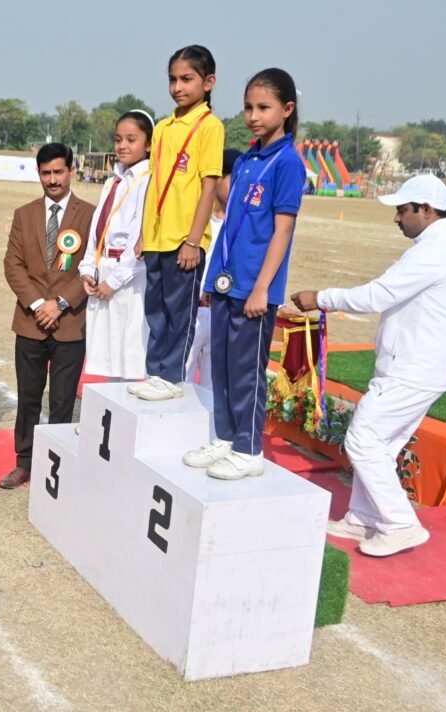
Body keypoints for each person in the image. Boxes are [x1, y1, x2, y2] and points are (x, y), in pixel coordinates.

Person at [290, 175, 446, 557]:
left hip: (413, 369)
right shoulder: (435, 245)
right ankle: (363, 517)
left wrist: (321, 298)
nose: (397, 218)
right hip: (414, 366)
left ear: (425, 209)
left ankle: (400, 524)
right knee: (381, 446)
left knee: (363, 439)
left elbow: (379, 295)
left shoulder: (435, 251)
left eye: (403, 210)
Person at [183, 67, 306, 480]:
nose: (254, 115)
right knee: (222, 368)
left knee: (246, 371)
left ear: (287, 110)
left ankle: (249, 449)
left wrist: (262, 288)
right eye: (249, 107)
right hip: (226, 285)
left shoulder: (287, 163)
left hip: (255, 290)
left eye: (264, 107)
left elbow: (282, 231)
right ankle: (225, 437)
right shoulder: (249, 158)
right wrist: (211, 279)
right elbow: (229, 226)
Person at [130, 45, 225, 402]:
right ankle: (154, 371)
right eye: (172, 79)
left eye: (187, 79)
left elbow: (208, 186)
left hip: (183, 238)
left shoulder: (209, 126)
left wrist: (192, 239)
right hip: (155, 236)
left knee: (178, 310)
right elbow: (153, 184)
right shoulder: (164, 127)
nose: (177, 87)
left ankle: (171, 376)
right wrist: (143, 233)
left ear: (209, 82)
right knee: (155, 309)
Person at [0, 143, 95, 489]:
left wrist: (62, 303)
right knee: (27, 397)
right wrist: (40, 305)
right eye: (45, 173)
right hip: (31, 323)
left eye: (58, 172)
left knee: (62, 401)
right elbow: (13, 265)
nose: (52, 180)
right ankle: (23, 462)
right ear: (38, 174)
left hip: (71, 324)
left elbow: (91, 266)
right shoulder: (24, 214)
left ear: (72, 170)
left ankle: (56, 465)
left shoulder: (91, 214)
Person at [78, 110, 153, 383]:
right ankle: (112, 419)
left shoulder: (147, 180)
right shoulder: (113, 181)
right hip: (104, 270)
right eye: (118, 139)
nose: (122, 145)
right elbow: (97, 229)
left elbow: (139, 237)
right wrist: (88, 268)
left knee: (130, 353)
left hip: (130, 277)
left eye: (131, 139)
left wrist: (115, 280)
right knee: (108, 357)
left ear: (148, 144)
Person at [185, 148, 242, 388]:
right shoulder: (197, 222)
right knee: (179, 380)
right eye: (234, 179)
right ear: (217, 179)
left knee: (212, 389)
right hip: (192, 312)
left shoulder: (243, 226)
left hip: (223, 315)